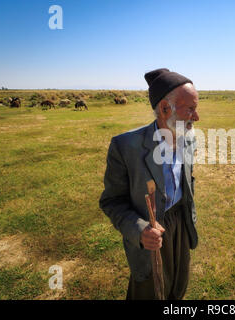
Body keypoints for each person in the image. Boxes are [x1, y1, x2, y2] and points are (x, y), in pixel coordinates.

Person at [99, 68, 199, 300]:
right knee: (149, 291)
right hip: (150, 232)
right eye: (191, 109)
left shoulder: (188, 140)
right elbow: (112, 201)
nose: (196, 117)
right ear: (165, 108)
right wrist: (140, 230)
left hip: (180, 225)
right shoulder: (125, 146)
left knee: (177, 286)